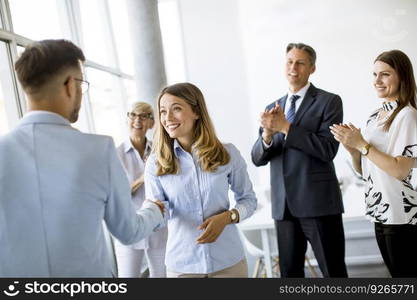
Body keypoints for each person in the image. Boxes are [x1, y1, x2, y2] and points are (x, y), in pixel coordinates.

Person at [0, 39, 164, 277]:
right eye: (81, 84)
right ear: (69, 85)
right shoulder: (99, 150)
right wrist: (155, 210)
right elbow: (128, 231)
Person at [251, 43, 347, 277]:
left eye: (300, 62)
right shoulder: (273, 107)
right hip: (284, 207)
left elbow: (327, 149)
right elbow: (257, 158)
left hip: (318, 204)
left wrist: (286, 127)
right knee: (289, 274)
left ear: (312, 68)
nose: (293, 67)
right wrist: (267, 135)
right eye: (289, 61)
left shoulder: (329, 101)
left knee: (333, 271)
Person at [144, 82, 257, 278]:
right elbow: (160, 215)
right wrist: (149, 214)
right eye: (162, 111)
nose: (167, 118)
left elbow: (249, 200)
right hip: (183, 267)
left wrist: (227, 217)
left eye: (176, 109)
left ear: (196, 112)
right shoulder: (156, 163)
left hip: (228, 263)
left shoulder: (227, 153)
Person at [330, 50, 417, 277]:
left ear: (402, 77)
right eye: (375, 74)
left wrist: (362, 145)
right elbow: (365, 170)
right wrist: (353, 149)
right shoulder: (375, 116)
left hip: (401, 214)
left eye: (385, 75)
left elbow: (400, 169)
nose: (377, 81)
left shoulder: (407, 115)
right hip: (380, 211)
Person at [115, 102, 168, 277]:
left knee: (162, 277)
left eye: (144, 116)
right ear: (127, 119)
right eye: (133, 115)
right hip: (129, 227)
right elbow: (118, 193)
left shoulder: (160, 151)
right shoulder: (116, 154)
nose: (138, 120)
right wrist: (144, 176)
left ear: (152, 123)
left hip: (158, 226)